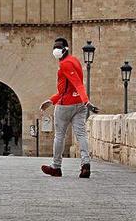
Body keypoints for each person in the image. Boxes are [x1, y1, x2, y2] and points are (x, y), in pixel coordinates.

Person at [39, 37, 97, 178]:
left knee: (59, 136)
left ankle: (56, 167)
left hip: (66, 105)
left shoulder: (65, 64)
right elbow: (70, 86)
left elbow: (77, 84)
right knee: (81, 134)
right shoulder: (75, 60)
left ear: (66, 49)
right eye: (54, 47)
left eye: (58, 47)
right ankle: (85, 164)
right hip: (79, 105)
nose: (55, 50)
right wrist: (52, 100)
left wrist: (86, 100)